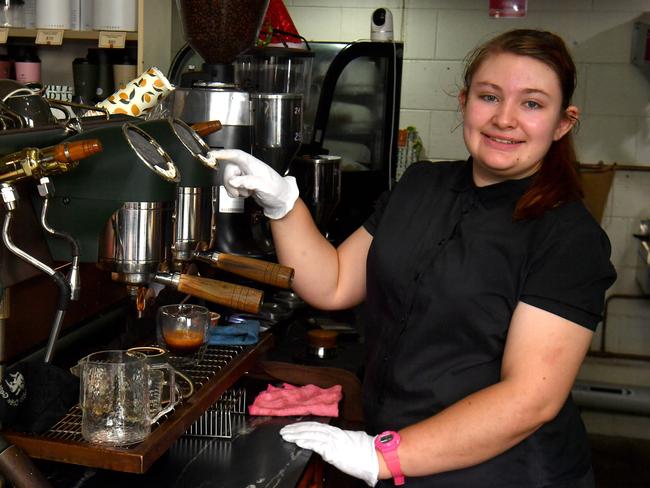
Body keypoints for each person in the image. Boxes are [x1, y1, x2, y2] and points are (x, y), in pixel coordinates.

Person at [212, 29, 616, 487]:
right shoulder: (422, 184)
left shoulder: (568, 237)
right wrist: (284, 206)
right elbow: (335, 282)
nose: (505, 119)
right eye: (489, 96)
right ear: (464, 101)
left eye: (532, 104)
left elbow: (530, 399)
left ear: (563, 122)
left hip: (508, 473)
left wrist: (383, 456)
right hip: (402, 456)